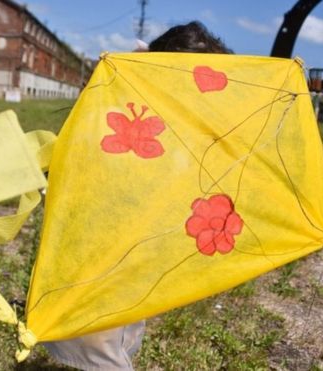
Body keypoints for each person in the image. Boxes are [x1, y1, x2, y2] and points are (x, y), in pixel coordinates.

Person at [42, 21, 231, 371]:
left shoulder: (180, 121)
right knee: (101, 343)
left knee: (125, 332)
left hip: (136, 255)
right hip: (99, 250)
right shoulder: (122, 110)